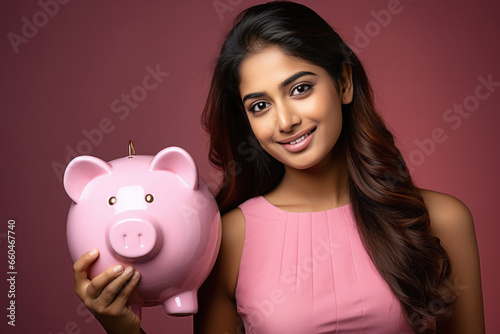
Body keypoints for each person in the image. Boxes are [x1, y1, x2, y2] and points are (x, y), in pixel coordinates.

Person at [72, 1, 484, 333]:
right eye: (260, 105)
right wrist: (121, 328)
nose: (285, 121)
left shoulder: (440, 220)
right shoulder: (228, 237)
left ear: (343, 83)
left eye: (300, 88)